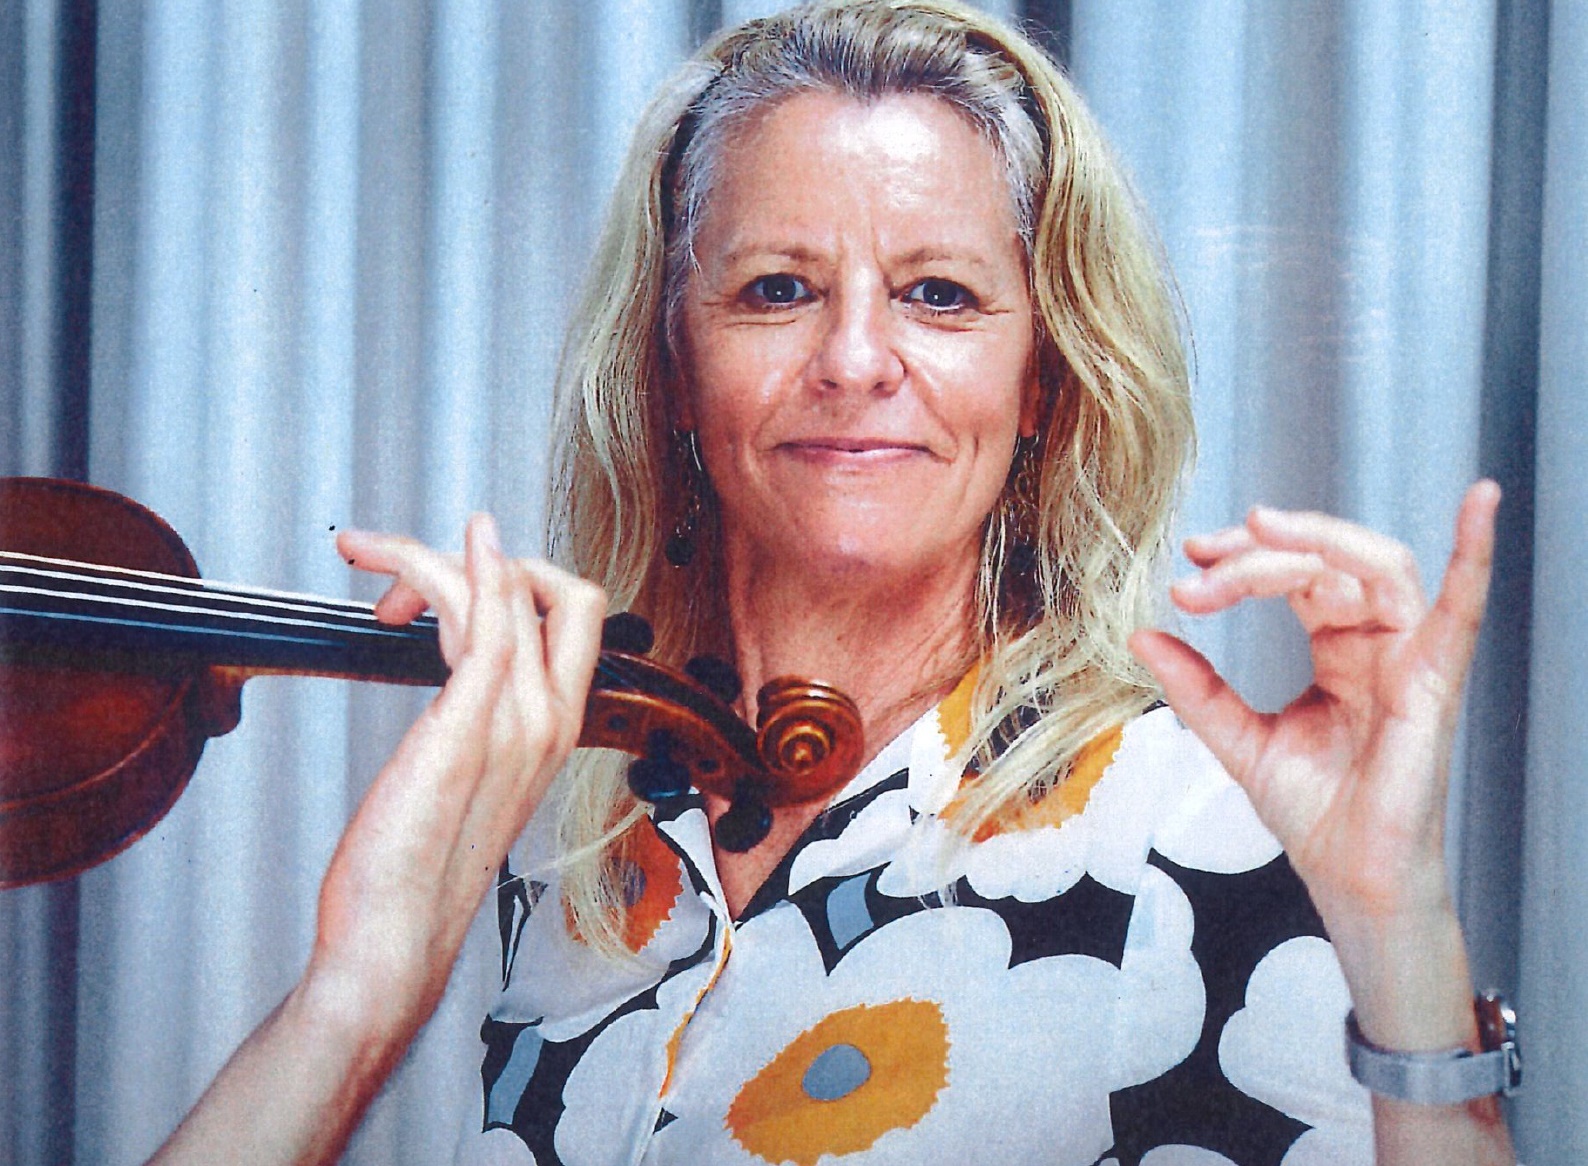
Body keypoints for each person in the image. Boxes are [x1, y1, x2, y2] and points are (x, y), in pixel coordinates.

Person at [150, 2, 1516, 1163]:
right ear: (672, 365)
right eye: (776, 290)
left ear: (1040, 383)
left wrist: (1398, 929)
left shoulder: (1190, 832)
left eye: (939, 295)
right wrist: (357, 998)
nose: (856, 360)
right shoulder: (587, 831)